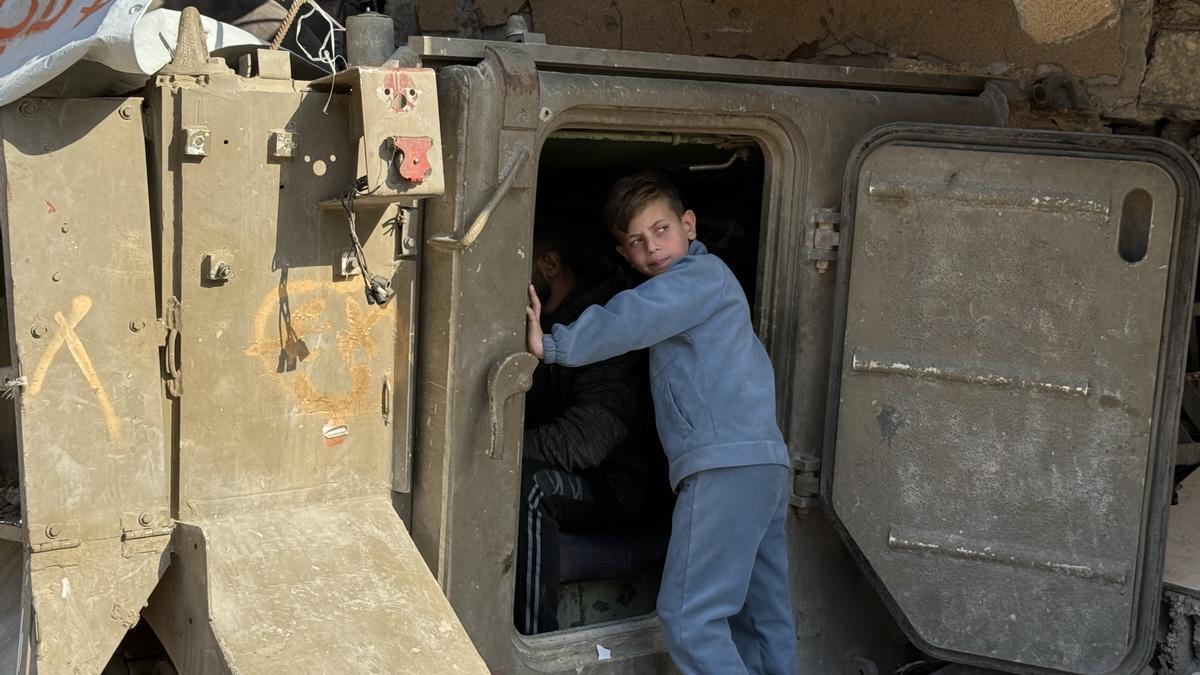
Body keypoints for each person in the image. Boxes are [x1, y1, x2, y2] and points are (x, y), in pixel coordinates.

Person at [524, 172, 796, 673]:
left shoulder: (699, 277)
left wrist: (555, 345)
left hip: (724, 465)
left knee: (690, 618)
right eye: (637, 241)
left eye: (661, 229)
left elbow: (635, 316)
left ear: (688, 225)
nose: (652, 248)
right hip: (762, 465)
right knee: (762, 617)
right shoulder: (704, 284)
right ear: (624, 254)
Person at [515, 217, 660, 636]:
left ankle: (534, 641)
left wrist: (502, 451)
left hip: (612, 485)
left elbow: (587, 439)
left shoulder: (602, 325)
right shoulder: (544, 321)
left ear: (549, 265)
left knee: (532, 486)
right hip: (573, 472)